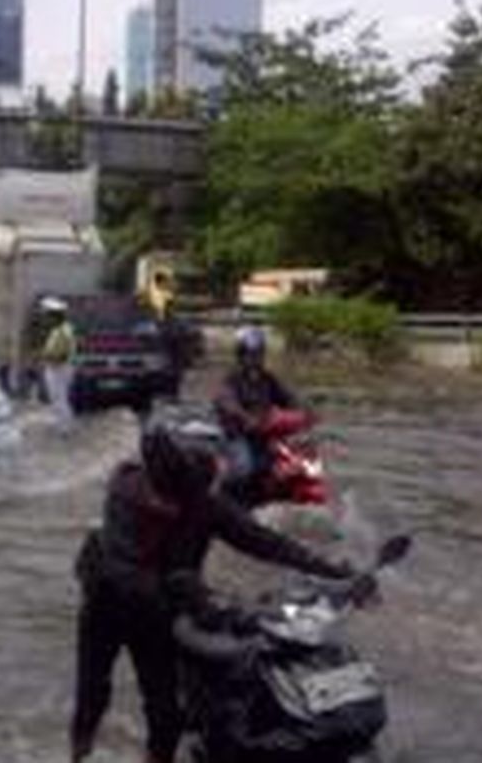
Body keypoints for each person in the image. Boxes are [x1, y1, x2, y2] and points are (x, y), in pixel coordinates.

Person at [69, 421, 351, 763]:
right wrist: (200, 599)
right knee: (93, 696)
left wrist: (330, 569)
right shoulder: (127, 492)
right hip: (110, 604)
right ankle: (79, 754)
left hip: (156, 609)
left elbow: (261, 540)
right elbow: (131, 574)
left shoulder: (201, 503)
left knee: (165, 714)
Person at [214, 325, 299, 483]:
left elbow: (288, 399)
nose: (256, 359)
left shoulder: (268, 379)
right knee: (245, 468)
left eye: (259, 354)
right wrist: (245, 417)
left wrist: (303, 413)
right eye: (251, 354)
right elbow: (227, 401)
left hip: (264, 435)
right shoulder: (232, 380)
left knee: (294, 464)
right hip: (237, 436)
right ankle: (224, 492)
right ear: (241, 355)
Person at [40, 297, 78, 432]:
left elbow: (63, 354)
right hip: (56, 368)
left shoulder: (63, 331)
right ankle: (62, 423)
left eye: (47, 315)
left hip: (59, 369)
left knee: (59, 397)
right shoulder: (58, 330)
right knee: (56, 397)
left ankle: (65, 427)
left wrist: (49, 358)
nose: (45, 319)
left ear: (55, 316)